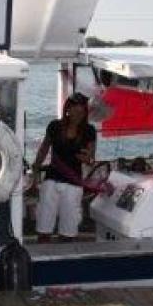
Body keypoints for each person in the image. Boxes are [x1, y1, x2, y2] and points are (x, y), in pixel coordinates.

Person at [31, 92, 97, 242]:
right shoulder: (54, 126)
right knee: (44, 226)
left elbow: (92, 159)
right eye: (75, 109)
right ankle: (42, 253)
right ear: (67, 109)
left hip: (73, 183)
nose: (78, 114)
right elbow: (44, 149)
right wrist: (35, 171)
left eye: (81, 111)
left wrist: (87, 159)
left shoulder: (89, 131)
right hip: (51, 180)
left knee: (68, 229)